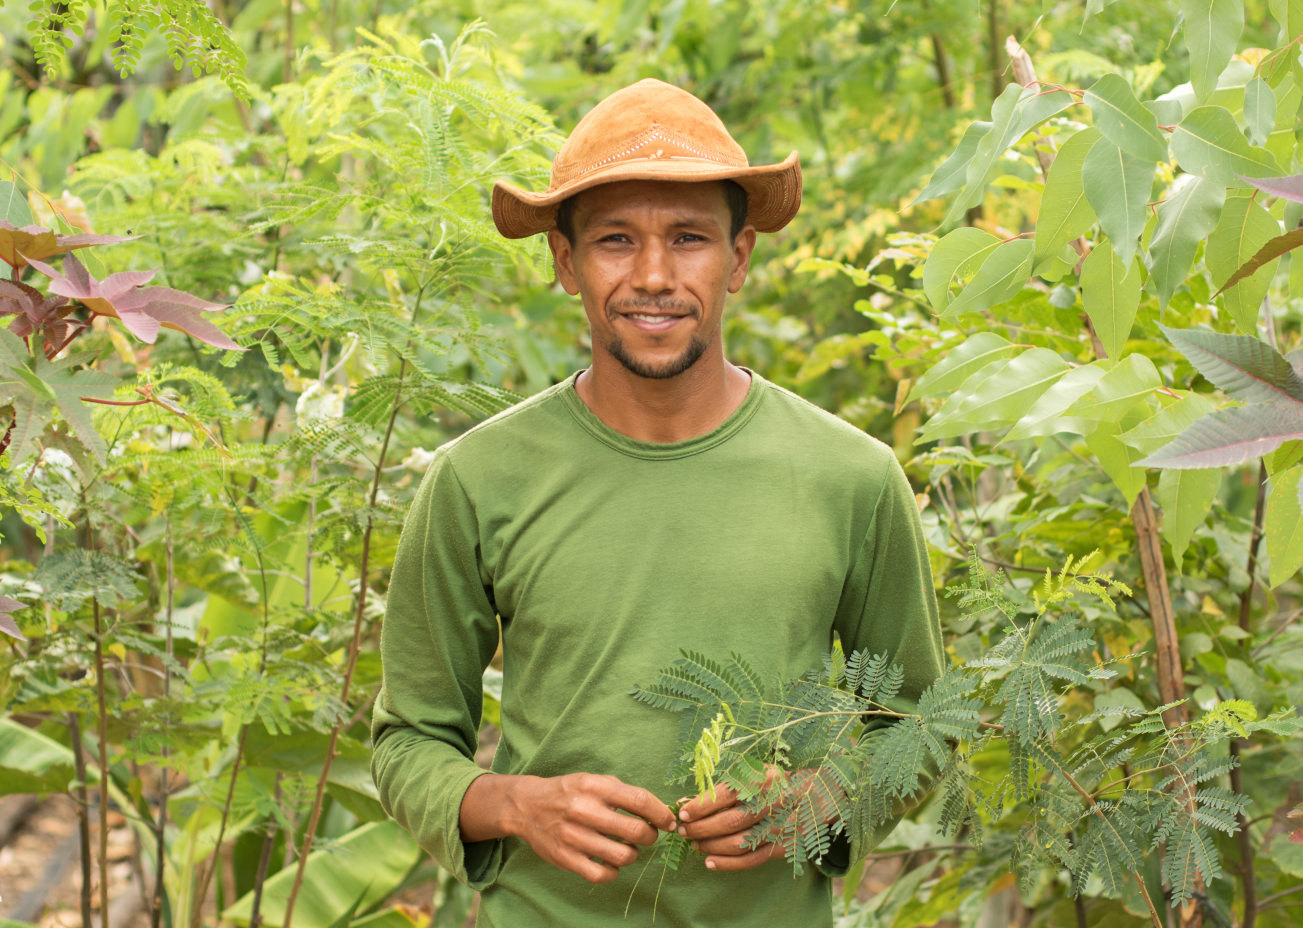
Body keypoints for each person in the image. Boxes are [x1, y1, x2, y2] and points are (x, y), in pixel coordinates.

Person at [370, 78, 944, 926]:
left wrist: (822, 796)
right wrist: (516, 804)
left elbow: (919, 725)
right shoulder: (475, 481)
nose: (652, 276)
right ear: (565, 261)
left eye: (688, 239)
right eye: (613, 240)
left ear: (738, 258)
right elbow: (409, 741)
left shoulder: (850, 477)